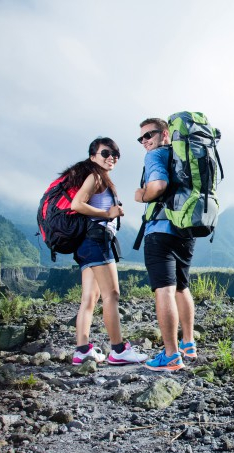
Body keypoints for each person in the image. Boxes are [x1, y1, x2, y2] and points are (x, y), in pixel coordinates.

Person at [65, 137, 148, 366]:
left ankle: (82, 351)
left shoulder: (98, 177)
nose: (111, 157)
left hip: (86, 243)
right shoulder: (95, 177)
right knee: (112, 295)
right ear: (93, 156)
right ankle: (119, 350)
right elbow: (77, 204)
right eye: (105, 153)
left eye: (115, 154)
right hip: (96, 241)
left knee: (90, 298)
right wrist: (107, 214)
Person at [134, 119, 197, 372]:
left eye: (149, 135)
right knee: (182, 287)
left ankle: (171, 355)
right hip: (186, 232)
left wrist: (141, 195)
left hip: (161, 231)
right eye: (141, 138)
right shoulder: (186, 159)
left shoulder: (156, 156)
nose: (145, 141)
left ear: (165, 133)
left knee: (164, 290)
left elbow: (158, 186)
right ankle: (188, 344)